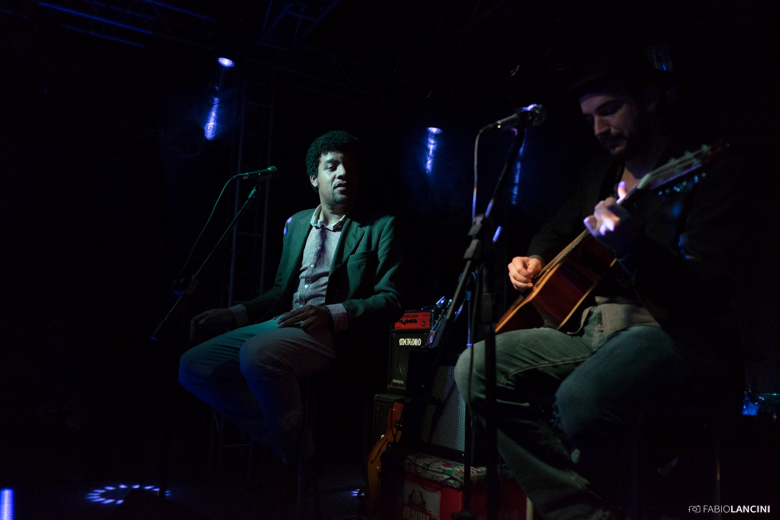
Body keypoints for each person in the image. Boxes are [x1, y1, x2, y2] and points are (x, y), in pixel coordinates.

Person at [454, 51, 747, 519]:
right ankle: (584, 511)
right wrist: (533, 258)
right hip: (589, 328)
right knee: (476, 367)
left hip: (669, 332)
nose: (598, 129)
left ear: (649, 99)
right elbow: (554, 230)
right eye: (590, 118)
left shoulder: (701, 171)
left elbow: (708, 289)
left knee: (581, 398)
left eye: (609, 110)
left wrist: (631, 247)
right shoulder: (600, 174)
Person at [179, 130, 403, 475]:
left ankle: (295, 463)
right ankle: (293, 444)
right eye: (332, 166)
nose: (343, 173)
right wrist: (233, 313)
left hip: (334, 334)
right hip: (284, 322)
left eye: (350, 167)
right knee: (193, 366)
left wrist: (329, 314)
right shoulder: (297, 223)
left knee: (256, 354)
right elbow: (280, 291)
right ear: (314, 177)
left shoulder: (380, 226)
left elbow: (391, 299)